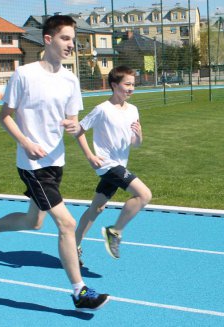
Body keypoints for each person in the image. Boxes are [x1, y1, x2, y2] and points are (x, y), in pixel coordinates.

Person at [0, 15, 108, 312]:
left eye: (74, 39)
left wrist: (83, 144)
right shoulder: (24, 75)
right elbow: (5, 116)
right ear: (48, 40)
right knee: (67, 224)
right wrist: (26, 142)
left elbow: (73, 124)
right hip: (32, 164)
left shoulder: (71, 80)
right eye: (66, 38)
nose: (72, 44)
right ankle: (79, 291)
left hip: (55, 162)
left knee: (34, 221)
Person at [70, 65, 152, 263]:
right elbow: (78, 130)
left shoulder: (133, 110)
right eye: (127, 84)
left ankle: (72, 246)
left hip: (120, 164)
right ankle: (115, 231)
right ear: (114, 85)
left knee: (96, 209)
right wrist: (90, 156)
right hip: (107, 165)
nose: (131, 88)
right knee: (144, 194)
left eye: (133, 84)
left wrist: (139, 135)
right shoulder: (102, 110)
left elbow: (136, 144)